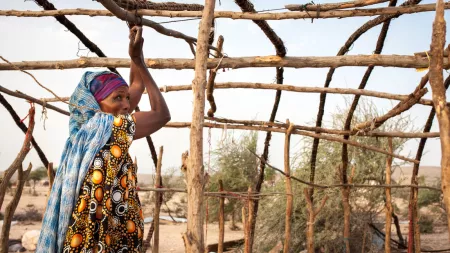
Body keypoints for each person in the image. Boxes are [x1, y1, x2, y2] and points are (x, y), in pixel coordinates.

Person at [36, 26, 170, 253]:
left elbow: (136, 86)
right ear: (93, 104)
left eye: (127, 99)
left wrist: (134, 55)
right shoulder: (108, 129)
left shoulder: (85, 134)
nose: (127, 105)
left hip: (99, 235)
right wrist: (140, 62)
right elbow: (161, 114)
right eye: (118, 98)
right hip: (100, 239)